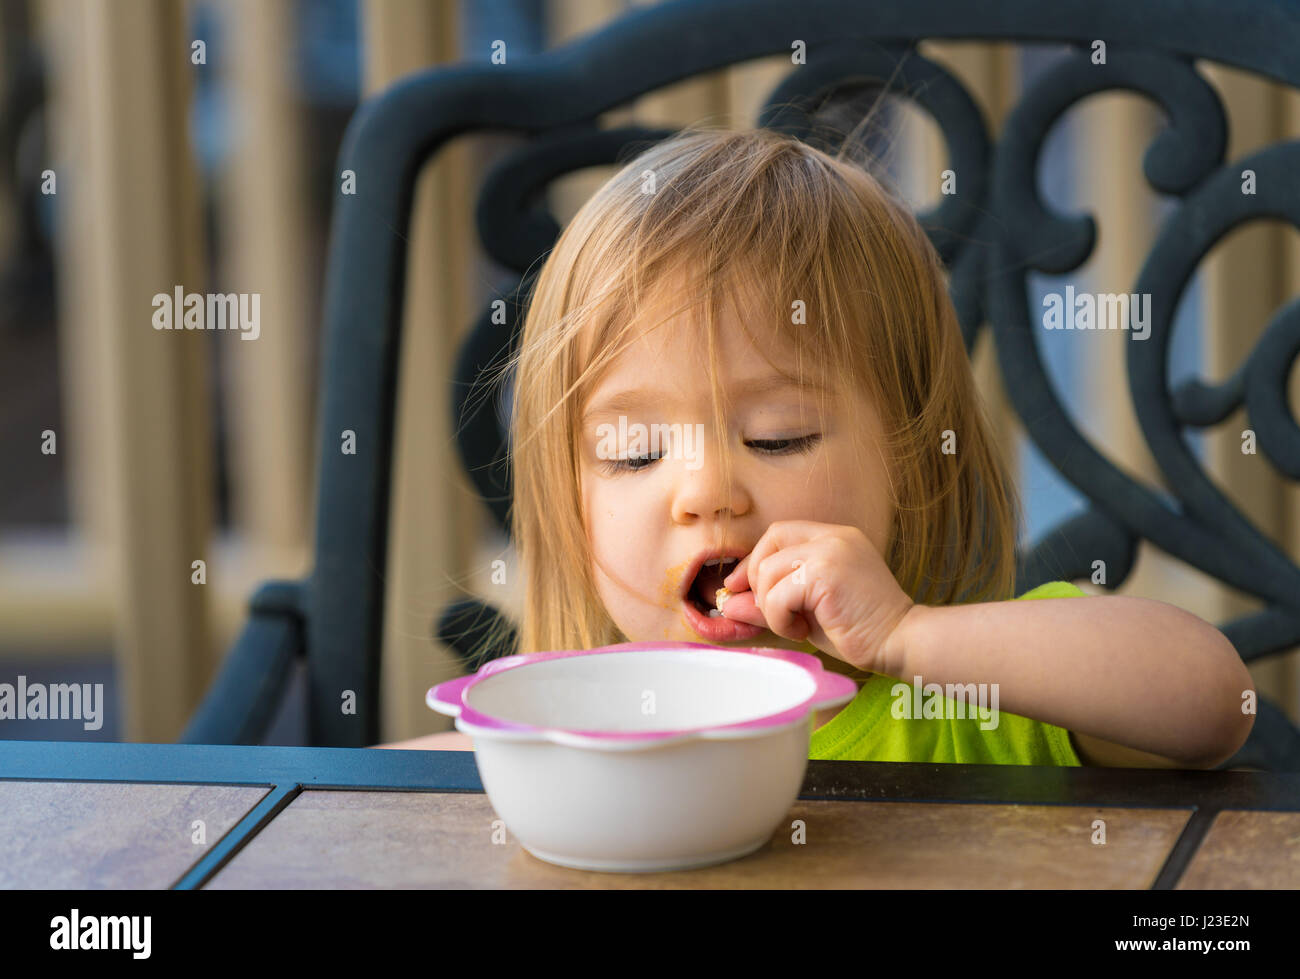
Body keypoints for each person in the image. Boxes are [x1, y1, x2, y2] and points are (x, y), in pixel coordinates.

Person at [378, 126, 1253, 768]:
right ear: (569, 500)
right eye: (636, 450)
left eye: (777, 435)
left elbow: (1217, 702)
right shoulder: (571, 736)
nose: (706, 490)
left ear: (911, 461)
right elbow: (377, 801)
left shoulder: (981, 693)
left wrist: (910, 636)